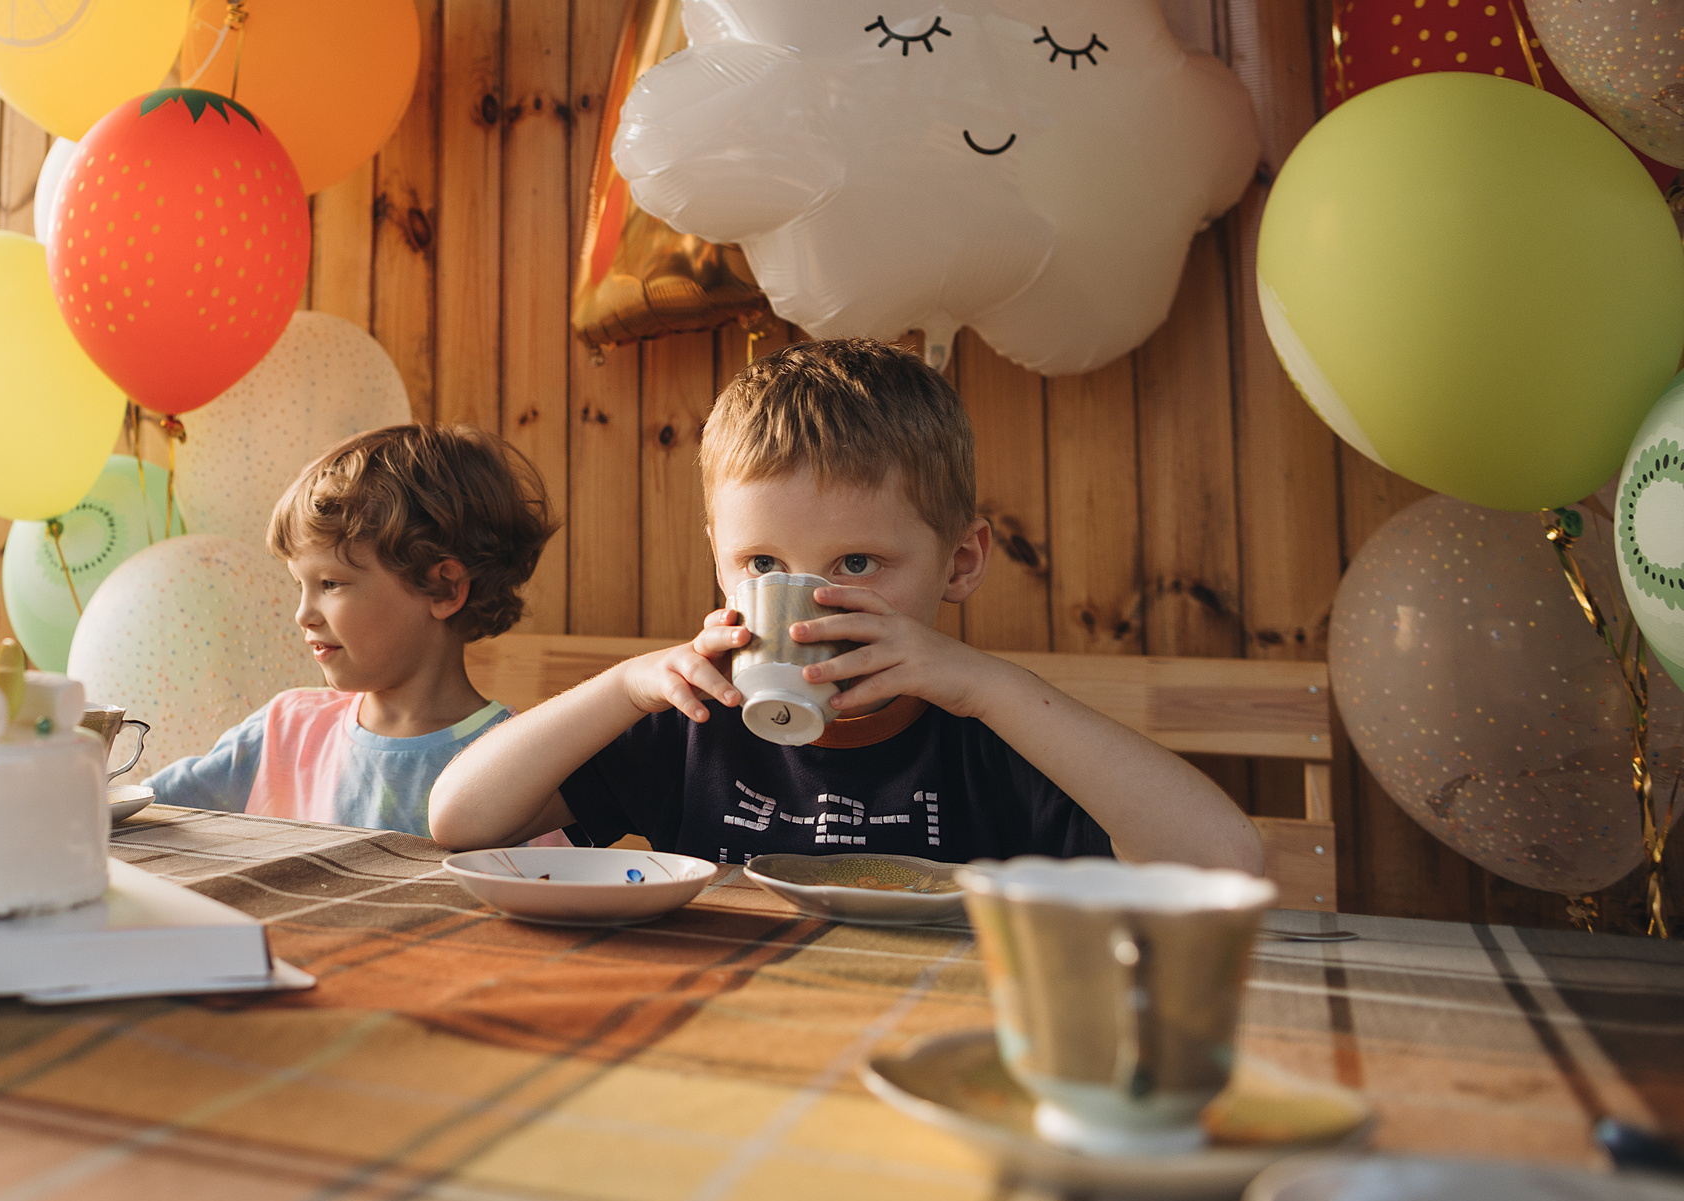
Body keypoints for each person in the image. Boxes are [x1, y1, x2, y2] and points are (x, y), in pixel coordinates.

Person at [429, 339, 1264, 873]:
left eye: (857, 562)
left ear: (960, 562)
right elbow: (460, 819)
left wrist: (986, 686)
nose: (808, 602)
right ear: (719, 563)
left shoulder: (992, 734)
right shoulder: (695, 719)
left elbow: (1226, 862)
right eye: (760, 561)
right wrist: (626, 687)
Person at [147, 424, 562, 839]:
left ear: (444, 587)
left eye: (331, 584)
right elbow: (135, 811)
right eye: (300, 585)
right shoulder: (285, 731)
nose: (303, 614)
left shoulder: (517, 766)